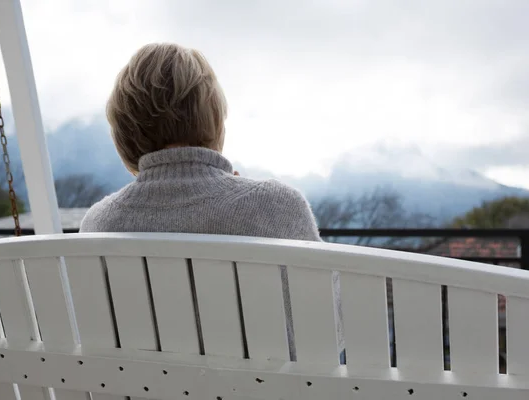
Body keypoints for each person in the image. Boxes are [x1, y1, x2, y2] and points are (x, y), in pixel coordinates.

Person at [80, 43, 343, 361]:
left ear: (124, 134)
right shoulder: (275, 206)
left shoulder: (98, 224)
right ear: (214, 119)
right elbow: (330, 333)